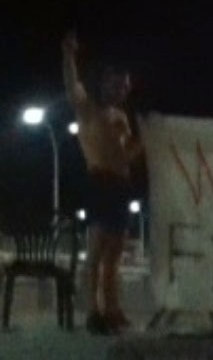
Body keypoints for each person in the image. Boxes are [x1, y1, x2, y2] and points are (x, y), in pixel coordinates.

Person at [62, 31, 143, 334]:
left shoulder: (121, 116)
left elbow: (124, 156)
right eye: (115, 81)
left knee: (115, 255)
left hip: (121, 187)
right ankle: (94, 312)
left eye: (124, 84)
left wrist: (144, 140)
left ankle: (113, 310)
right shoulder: (88, 110)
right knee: (95, 254)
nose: (120, 87)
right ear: (103, 81)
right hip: (99, 183)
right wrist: (68, 55)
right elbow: (72, 87)